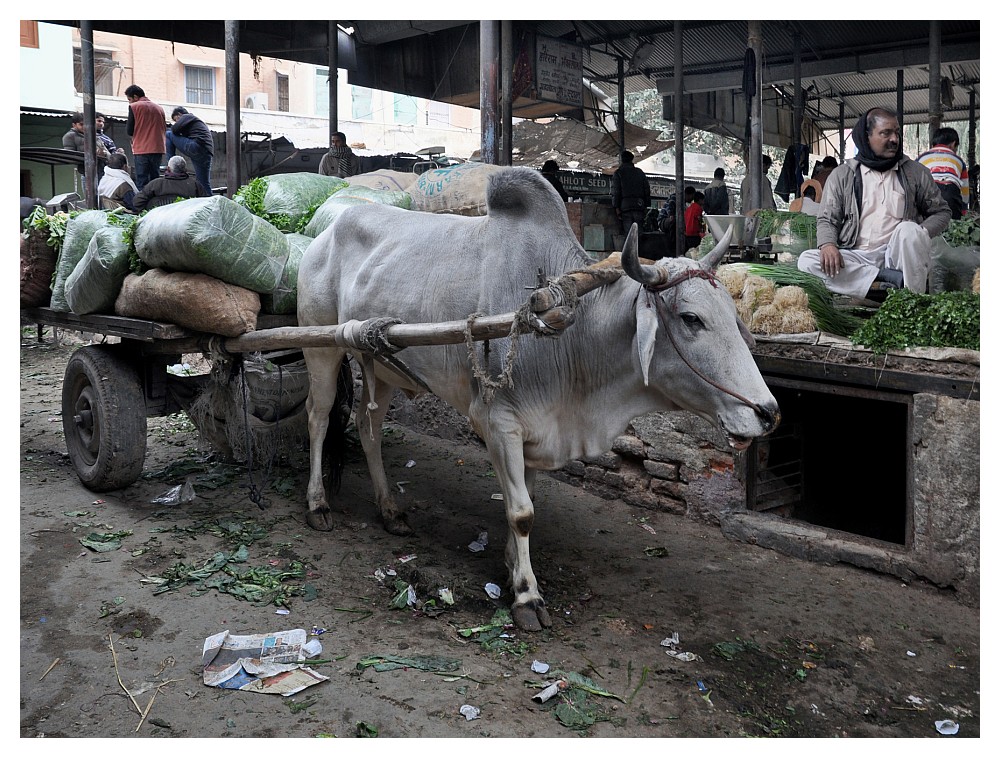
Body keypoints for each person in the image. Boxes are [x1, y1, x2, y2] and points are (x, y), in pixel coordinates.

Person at [796, 107, 950, 298]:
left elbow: (941, 212)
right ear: (866, 136)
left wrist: (919, 234)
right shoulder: (843, 175)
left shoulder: (914, 172)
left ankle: (911, 301)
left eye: (897, 133)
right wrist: (827, 245)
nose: (894, 139)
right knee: (806, 261)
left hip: (897, 255)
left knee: (908, 230)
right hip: (856, 255)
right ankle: (883, 277)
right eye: (886, 133)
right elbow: (827, 219)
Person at [916, 127, 969, 220]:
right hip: (950, 193)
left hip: (927, 193)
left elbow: (913, 181)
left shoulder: (921, 158)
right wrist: (963, 210)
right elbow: (965, 189)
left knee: (927, 227)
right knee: (953, 227)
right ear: (953, 144)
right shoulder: (959, 160)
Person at [125, 84, 167, 190]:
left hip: (141, 149)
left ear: (135, 97)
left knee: (142, 180)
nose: (129, 102)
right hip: (158, 148)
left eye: (129, 99)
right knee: (155, 179)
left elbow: (129, 131)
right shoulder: (159, 108)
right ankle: (155, 204)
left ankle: (142, 205)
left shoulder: (134, 107)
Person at [132, 155, 209, 211]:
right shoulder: (195, 185)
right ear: (185, 169)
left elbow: (137, 202)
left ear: (168, 169)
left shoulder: (155, 184)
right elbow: (207, 206)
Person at [167, 106, 215, 194]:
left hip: (197, 146)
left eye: (176, 120)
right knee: (203, 183)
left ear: (179, 115)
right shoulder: (193, 123)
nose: (176, 122)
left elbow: (174, 130)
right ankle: (211, 205)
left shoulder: (187, 116)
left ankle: (170, 164)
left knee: (168, 134)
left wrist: (175, 127)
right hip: (206, 153)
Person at [611, 150, 650, 235]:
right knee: (638, 234)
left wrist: (616, 207)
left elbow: (616, 192)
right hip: (639, 206)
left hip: (625, 208)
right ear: (632, 160)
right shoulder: (640, 172)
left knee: (629, 235)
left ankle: (631, 248)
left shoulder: (618, 173)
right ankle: (639, 248)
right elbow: (647, 190)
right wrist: (646, 206)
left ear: (622, 160)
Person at [62, 112, 110, 176]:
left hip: (101, 170)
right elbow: (70, 156)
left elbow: (108, 154)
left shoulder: (94, 135)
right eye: (81, 124)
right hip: (87, 172)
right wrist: (92, 154)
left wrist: (103, 153)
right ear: (74, 125)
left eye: (86, 124)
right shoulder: (70, 136)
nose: (84, 127)